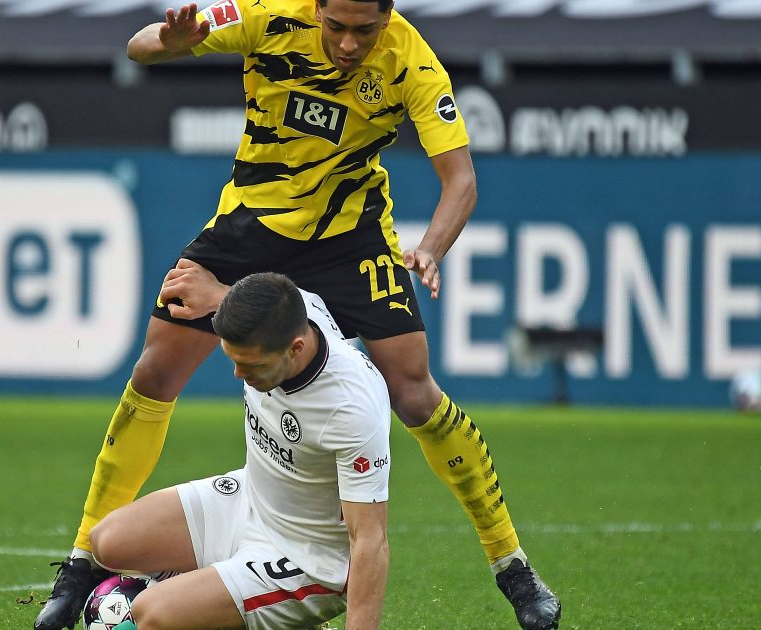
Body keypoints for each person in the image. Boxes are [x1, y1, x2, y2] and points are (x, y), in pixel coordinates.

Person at [35, 1, 561, 629]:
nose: (346, 43)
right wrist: (169, 42)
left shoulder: (412, 61)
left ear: (387, 15)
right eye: (334, 26)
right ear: (315, 7)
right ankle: (78, 570)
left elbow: (461, 180)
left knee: (415, 394)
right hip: (251, 226)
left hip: (350, 238)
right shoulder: (265, 12)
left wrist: (431, 247)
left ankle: (512, 565)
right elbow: (139, 47)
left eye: (364, 30)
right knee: (154, 372)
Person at [88, 272, 391, 630]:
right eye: (232, 359)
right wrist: (212, 290)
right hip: (248, 501)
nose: (237, 373)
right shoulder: (290, 307)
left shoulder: (352, 408)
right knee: (106, 542)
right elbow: (245, 295)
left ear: (296, 348)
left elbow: (370, 539)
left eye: (252, 365)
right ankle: (223, 598)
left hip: (307, 560)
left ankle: (249, 607)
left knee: (151, 613)